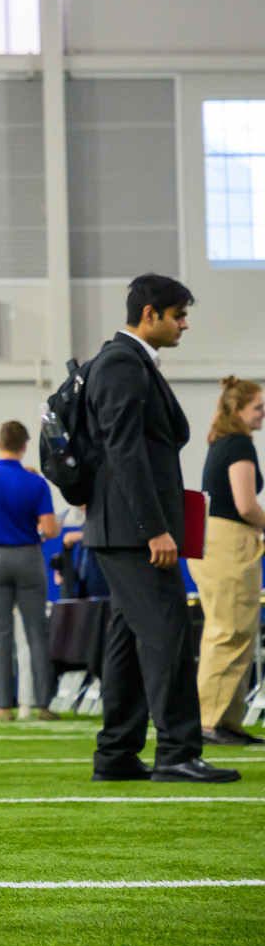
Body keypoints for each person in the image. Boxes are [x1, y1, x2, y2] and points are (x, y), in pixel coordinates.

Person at [85, 275, 238, 784]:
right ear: (150, 314)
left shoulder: (127, 363)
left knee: (129, 643)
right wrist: (155, 529)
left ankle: (117, 754)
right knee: (170, 634)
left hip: (124, 528)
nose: (185, 324)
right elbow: (123, 451)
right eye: (179, 315)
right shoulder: (123, 364)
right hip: (134, 532)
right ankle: (176, 752)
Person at [0, 421, 63, 723]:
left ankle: (3, 706)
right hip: (28, 557)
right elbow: (51, 528)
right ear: (24, 446)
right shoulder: (36, 483)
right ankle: (43, 704)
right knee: (36, 634)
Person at [190, 376, 265, 747]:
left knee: (234, 631)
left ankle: (226, 720)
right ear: (238, 410)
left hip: (211, 538)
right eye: (258, 407)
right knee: (229, 632)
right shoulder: (238, 445)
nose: (263, 414)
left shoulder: (220, 442)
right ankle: (207, 721)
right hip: (228, 542)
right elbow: (246, 504)